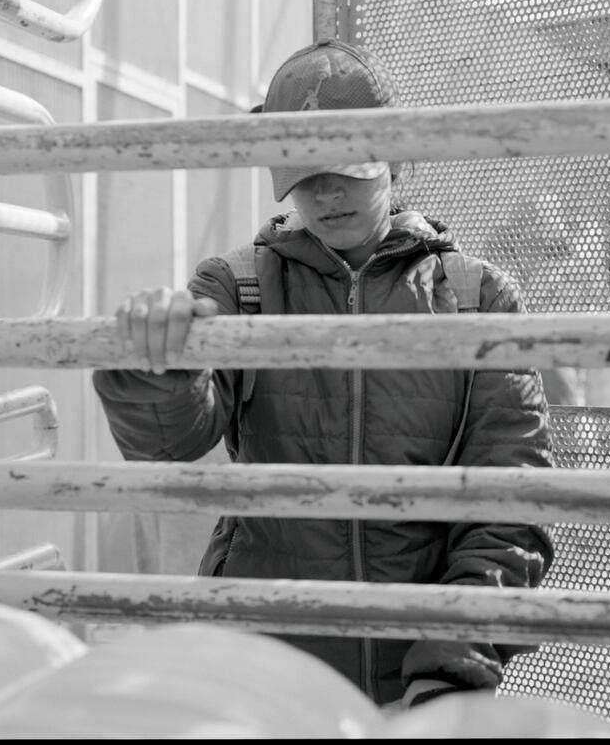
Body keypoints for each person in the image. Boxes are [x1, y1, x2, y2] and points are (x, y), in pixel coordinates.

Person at [92, 38, 555, 709]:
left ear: (399, 155)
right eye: (303, 170)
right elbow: (166, 443)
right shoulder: (237, 284)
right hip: (257, 674)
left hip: (415, 682)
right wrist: (155, 359)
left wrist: (449, 665)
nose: (327, 191)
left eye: (348, 165)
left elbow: (514, 499)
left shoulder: (478, 296)